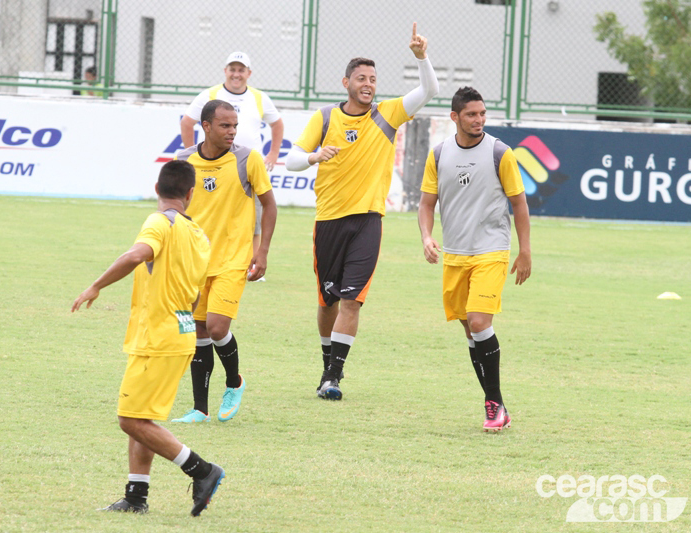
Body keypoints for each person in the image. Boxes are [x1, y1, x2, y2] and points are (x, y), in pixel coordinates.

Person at [285, 23, 439, 400]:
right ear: (346, 82)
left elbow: (430, 91)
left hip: (369, 220)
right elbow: (290, 161)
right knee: (328, 302)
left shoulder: (387, 114)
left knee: (352, 300)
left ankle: (334, 377)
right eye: (361, 78)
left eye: (373, 78)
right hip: (329, 221)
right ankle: (326, 365)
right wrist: (313, 156)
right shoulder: (324, 119)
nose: (368, 83)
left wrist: (422, 57)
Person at [71, 160, 225, 516]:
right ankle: (136, 496)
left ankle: (202, 469)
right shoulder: (199, 235)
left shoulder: (159, 222)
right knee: (140, 417)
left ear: (157, 189)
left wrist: (96, 285)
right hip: (181, 333)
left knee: (130, 419)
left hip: (159, 336)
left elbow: (139, 254)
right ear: (190, 194)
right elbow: (196, 293)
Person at [416, 86, 532, 432]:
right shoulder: (439, 154)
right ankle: (498, 404)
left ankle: (492, 404)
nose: (479, 120)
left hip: (491, 250)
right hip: (454, 254)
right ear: (455, 117)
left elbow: (519, 204)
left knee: (479, 322)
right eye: (471, 114)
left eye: (482, 114)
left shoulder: (500, 153)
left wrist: (525, 250)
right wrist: (426, 236)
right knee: (470, 331)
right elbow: (426, 204)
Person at [172, 99, 277, 423]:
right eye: (225, 125)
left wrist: (262, 252)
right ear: (206, 126)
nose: (232, 131)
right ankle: (199, 408)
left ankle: (234, 382)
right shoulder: (184, 160)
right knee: (197, 330)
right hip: (193, 261)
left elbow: (269, 206)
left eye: (235, 125)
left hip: (234, 258)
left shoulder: (248, 159)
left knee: (217, 327)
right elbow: (173, 210)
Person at [180, 52, 284, 261]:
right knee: (209, 214)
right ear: (225, 71)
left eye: (241, 70)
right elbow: (187, 122)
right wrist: (192, 154)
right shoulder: (209, 94)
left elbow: (277, 124)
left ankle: (252, 263)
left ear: (249, 73)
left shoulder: (259, 97)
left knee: (254, 218)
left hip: (248, 166)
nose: (236, 74)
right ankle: (200, 258)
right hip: (215, 164)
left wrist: (273, 154)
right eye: (233, 69)